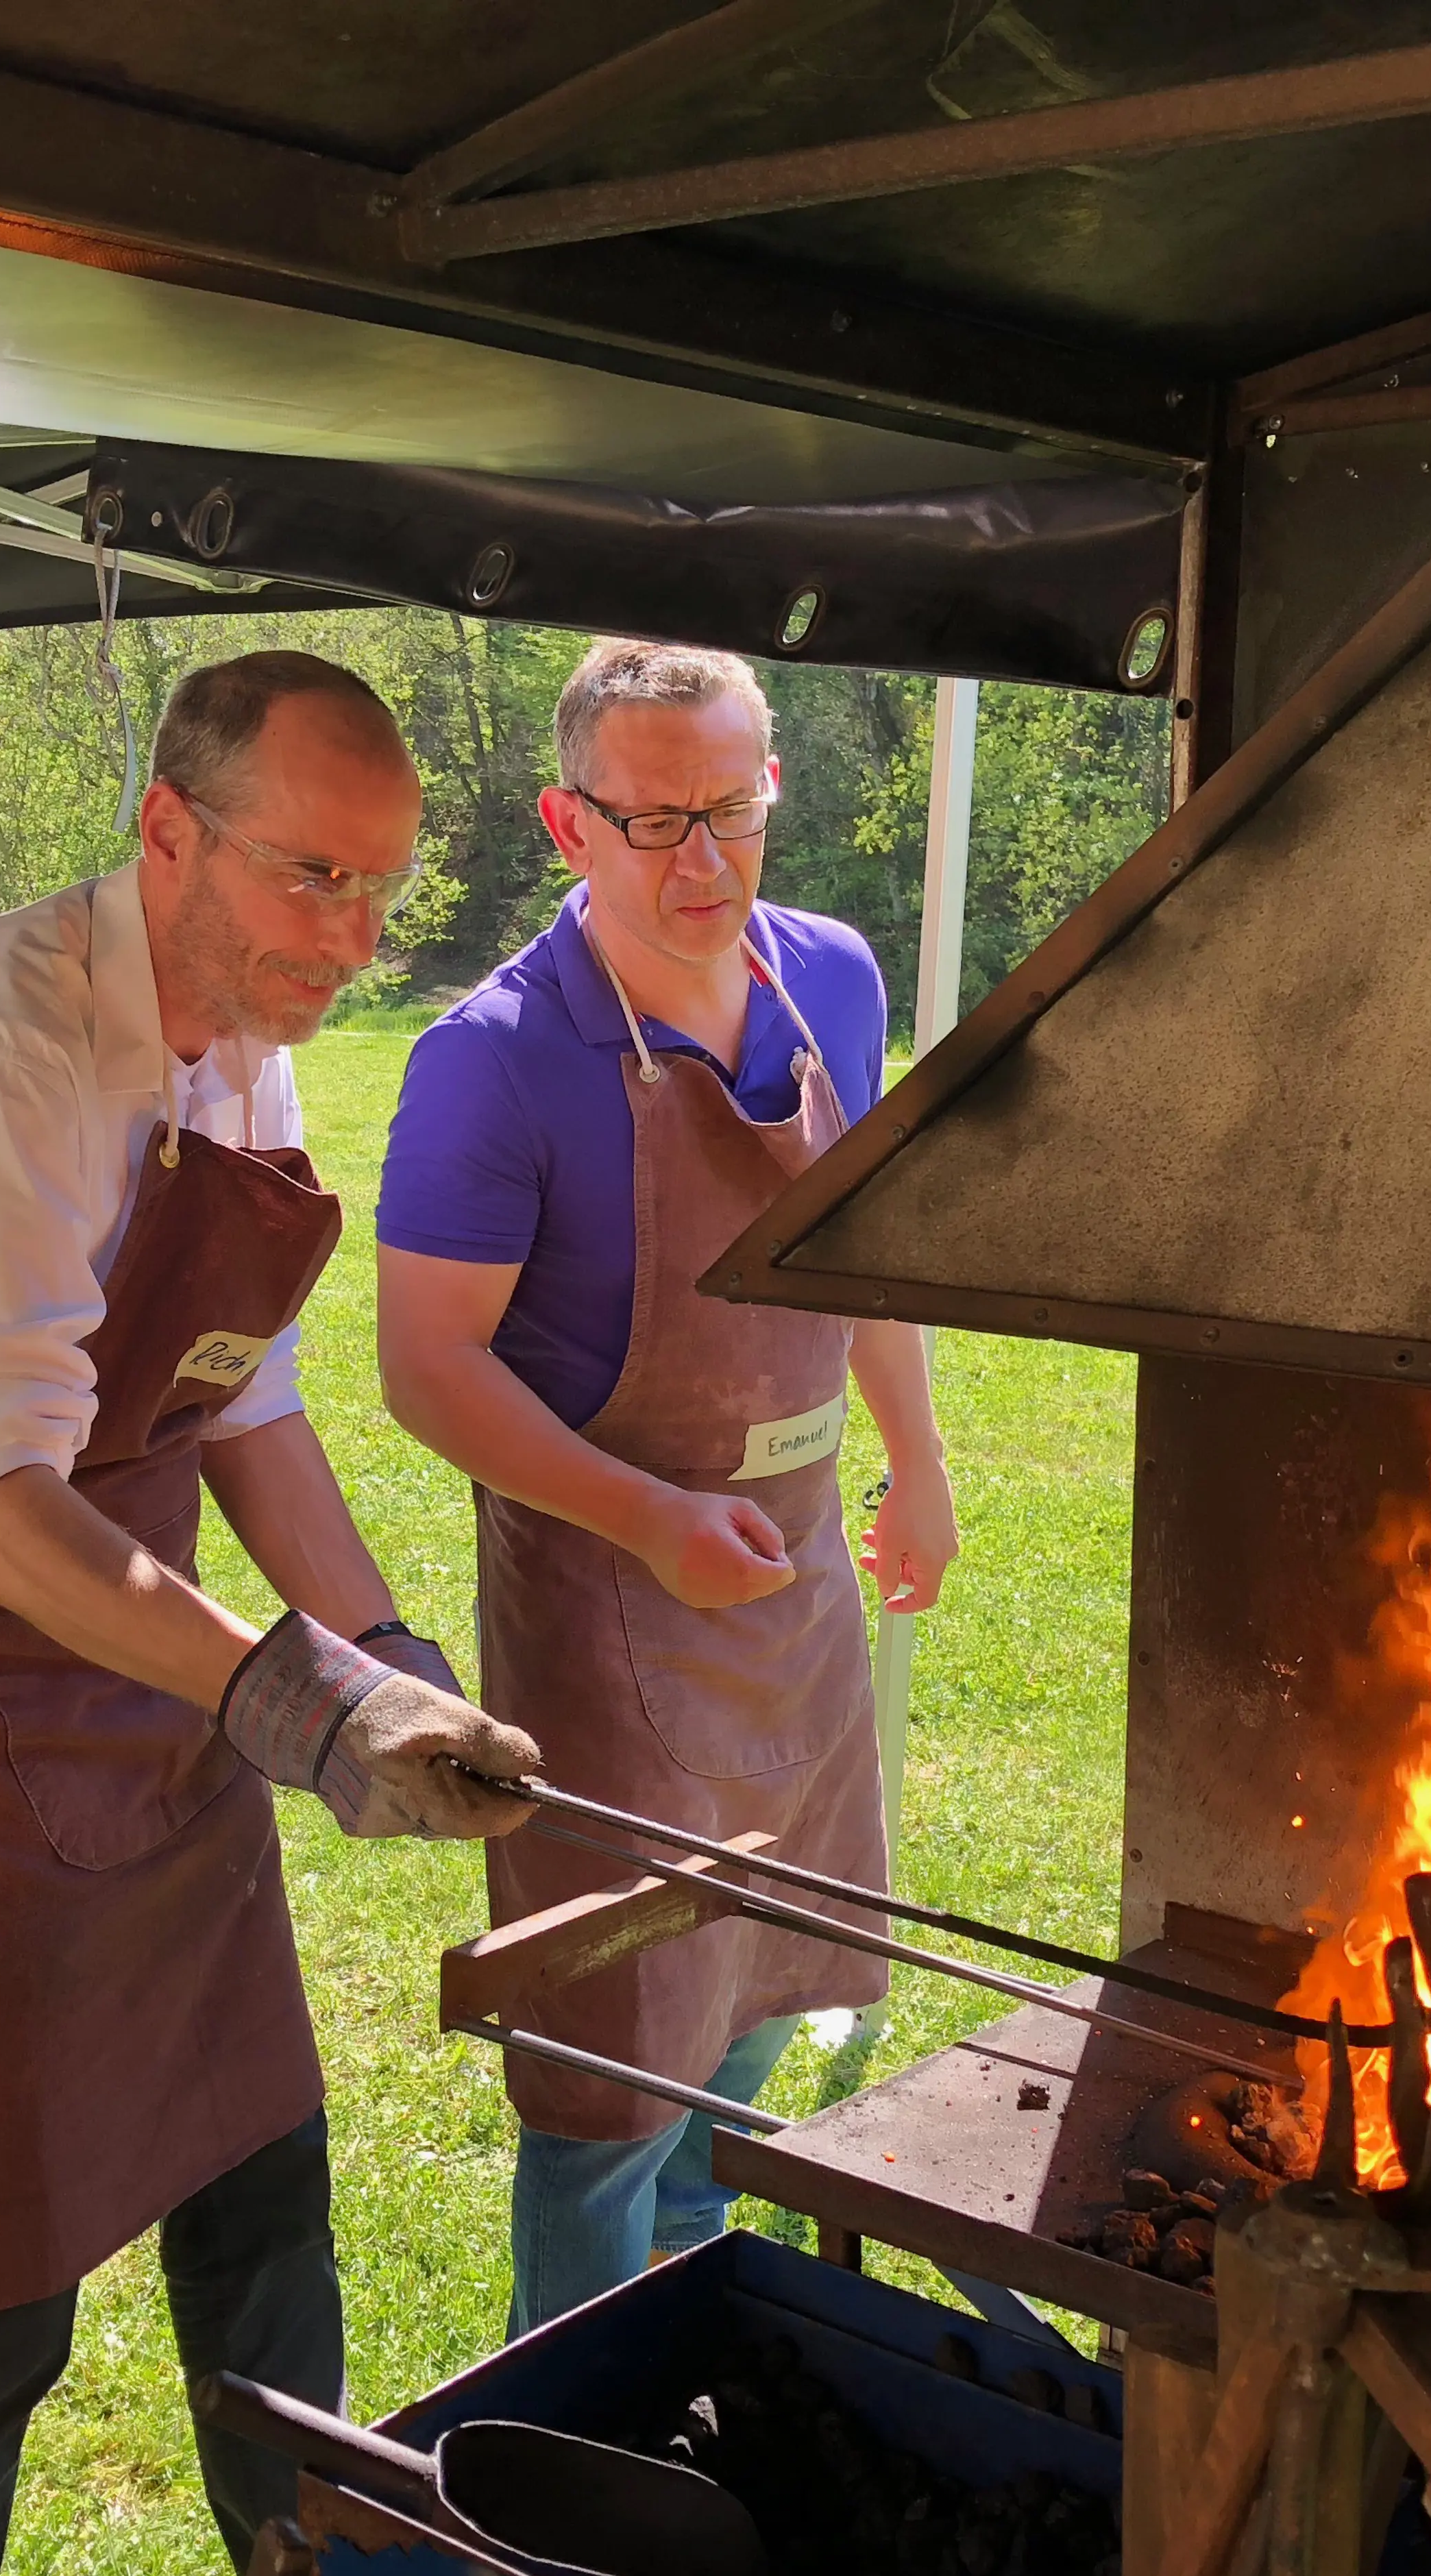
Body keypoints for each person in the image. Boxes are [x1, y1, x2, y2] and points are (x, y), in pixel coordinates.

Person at [0, 649, 537, 2576]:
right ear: (167, 832)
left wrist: (385, 1647)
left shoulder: (238, 1049)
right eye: (309, 881)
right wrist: (293, 1703)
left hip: (153, 1666)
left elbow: (241, 1405)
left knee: (265, 2188)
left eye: (380, 891)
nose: (348, 942)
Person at [376, 638, 959, 2331]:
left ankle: (698, 2354)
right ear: (569, 823)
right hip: (605, 1598)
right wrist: (646, 1518)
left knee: (763, 2005)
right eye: (653, 824)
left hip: (791, 1584)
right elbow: (427, 1369)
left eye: (732, 809)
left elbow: (860, 1257)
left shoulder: (830, 978)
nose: (702, 862)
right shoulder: (492, 1057)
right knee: (610, 2075)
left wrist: (913, 1457)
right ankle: (575, 2419)